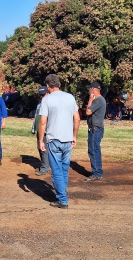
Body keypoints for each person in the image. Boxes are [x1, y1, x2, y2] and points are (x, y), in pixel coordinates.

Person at [38, 74, 80, 209]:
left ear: (48, 86)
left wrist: (40, 140)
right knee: (64, 169)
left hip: (53, 139)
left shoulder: (47, 100)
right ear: (59, 85)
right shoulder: (70, 97)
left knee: (56, 170)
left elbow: (42, 122)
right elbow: (77, 118)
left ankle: (62, 199)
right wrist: (74, 135)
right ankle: (62, 193)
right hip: (67, 139)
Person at [85, 81, 106, 182]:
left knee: (93, 151)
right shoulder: (99, 100)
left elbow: (88, 112)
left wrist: (90, 100)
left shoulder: (98, 100)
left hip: (95, 129)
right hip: (95, 129)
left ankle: (96, 173)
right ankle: (98, 171)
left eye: (90, 89)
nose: (89, 90)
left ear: (93, 89)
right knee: (95, 150)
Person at [31, 86, 50, 176]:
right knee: (40, 148)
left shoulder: (49, 103)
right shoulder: (40, 103)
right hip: (39, 129)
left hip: (46, 130)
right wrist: (34, 127)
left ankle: (45, 168)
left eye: (43, 94)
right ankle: (44, 165)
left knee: (43, 149)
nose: (41, 96)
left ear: (47, 93)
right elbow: (37, 117)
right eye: (40, 95)